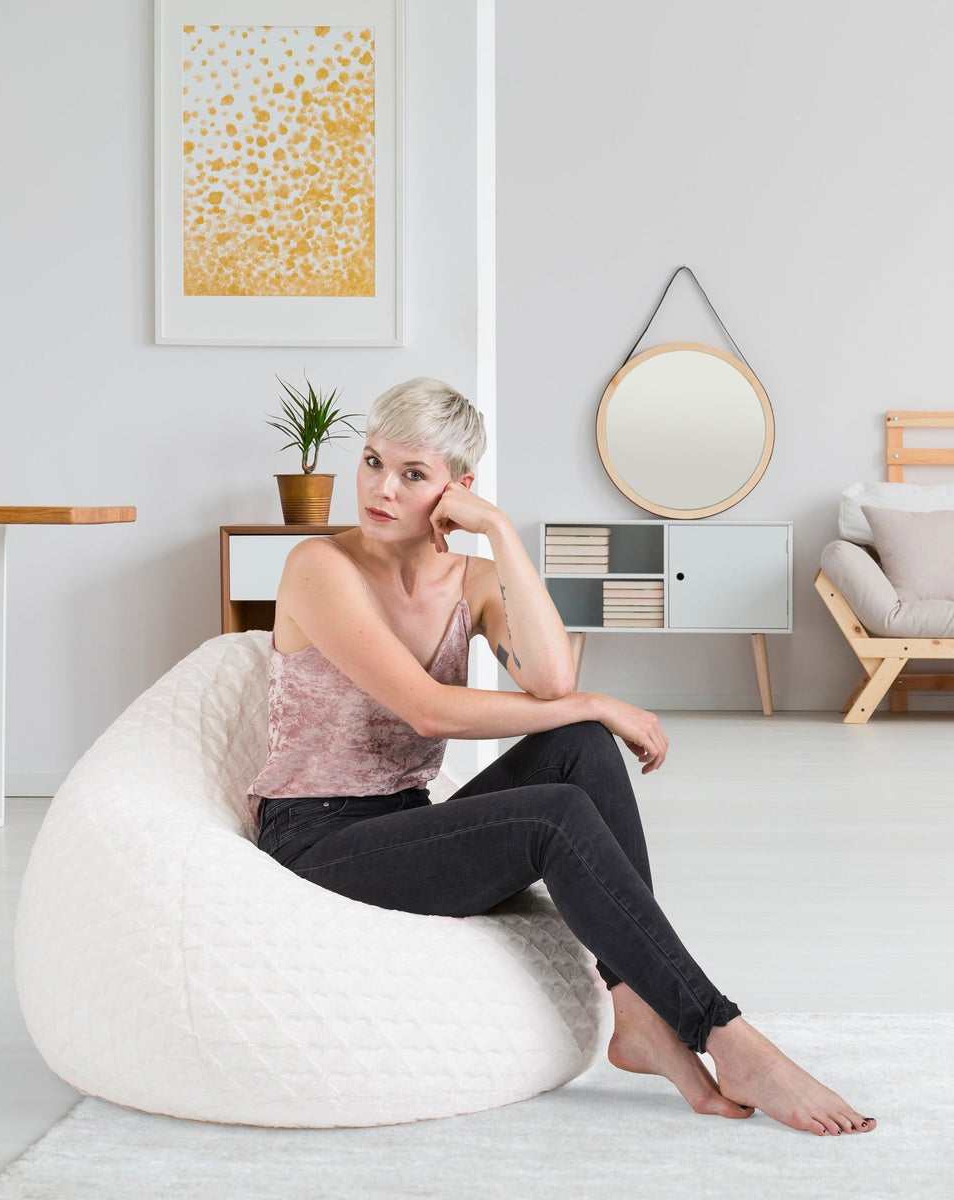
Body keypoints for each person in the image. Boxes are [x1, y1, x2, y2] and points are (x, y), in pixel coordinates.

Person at [247, 377, 876, 1137]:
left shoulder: (470, 581)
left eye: (413, 474)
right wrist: (598, 703)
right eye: (374, 462)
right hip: (317, 842)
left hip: (408, 825)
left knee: (577, 747)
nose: (382, 489)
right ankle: (721, 1033)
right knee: (560, 792)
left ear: (458, 489)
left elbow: (551, 682)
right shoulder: (319, 566)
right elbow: (426, 707)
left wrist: (503, 535)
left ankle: (638, 1013)